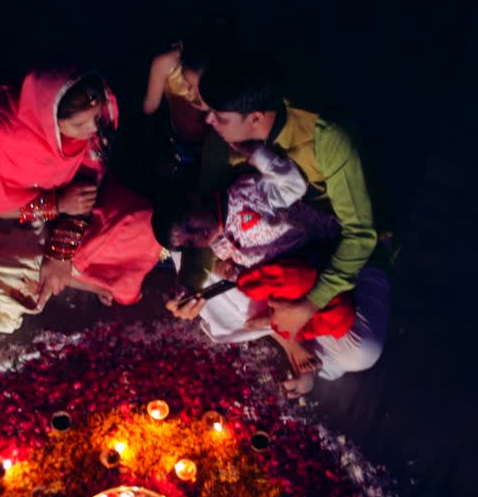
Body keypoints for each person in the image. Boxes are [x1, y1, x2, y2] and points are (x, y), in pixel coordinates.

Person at [0, 67, 162, 344]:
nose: (91, 130)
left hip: (62, 213)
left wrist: (60, 251)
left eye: (96, 118)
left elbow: (88, 186)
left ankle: (57, 274)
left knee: (143, 223)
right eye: (80, 125)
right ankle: (68, 278)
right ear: (49, 121)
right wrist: (54, 206)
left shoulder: (94, 122)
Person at [158, 136, 388, 397]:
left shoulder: (243, 194)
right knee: (249, 292)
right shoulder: (214, 242)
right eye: (190, 241)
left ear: (193, 199)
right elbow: (218, 266)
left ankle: (293, 336)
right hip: (280, 281)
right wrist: (208, 279)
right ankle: (294, 341)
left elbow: (292, 185)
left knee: (358, 346)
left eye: (191, 225)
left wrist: (259, 155)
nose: (197, 236)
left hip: (317, 258)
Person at [178, 55, 382, 345]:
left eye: (220, 116)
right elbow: (203, 218)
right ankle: (283, 330)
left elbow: (360, 237)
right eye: (210, 111)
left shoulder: (326, 136)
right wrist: (188, 285)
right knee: (176, 241)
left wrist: (308, 306)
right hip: (267, 257)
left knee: (362, 351)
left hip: (330, 249)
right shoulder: (218, 145)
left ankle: (288, 329)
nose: (209, 121)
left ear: (256, 118)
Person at [140, 16, 235, 192]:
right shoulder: (166, 64)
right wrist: (147, 158)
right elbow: (149, 113)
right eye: (187, 84)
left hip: (211, 148)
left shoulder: (230, 79)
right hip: (174, 139)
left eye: (203, 89)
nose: (192, 95)